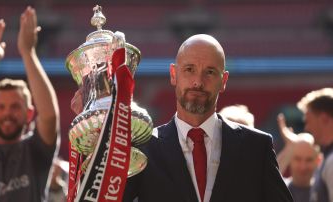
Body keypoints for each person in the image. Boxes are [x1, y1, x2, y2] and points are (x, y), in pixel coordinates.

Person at [122, 34, 293, 202]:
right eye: (189, 69)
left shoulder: (256, 147)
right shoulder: (143, 149)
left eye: (209, 72)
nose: (198, 81)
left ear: (224, 80)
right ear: (173, 74)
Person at [0, 6, 60, 202]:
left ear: (29, 114)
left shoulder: (36, 149)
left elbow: (49, 116)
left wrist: (28, 53)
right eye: (1, 107)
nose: (7, 113)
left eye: (15, 107)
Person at [296, 88, 333, 202]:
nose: (306, 128)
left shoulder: (331, 160)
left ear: (324, 118)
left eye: (308, 121)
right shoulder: (327, 157)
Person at [277, 114, 322, 202]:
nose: (303, 167)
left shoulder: (325, 191)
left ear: (318, 160)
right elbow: (265, 182)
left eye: (309, 160)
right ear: (289, 159)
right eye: (297, 159)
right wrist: (289, 148)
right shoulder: (279, 189)